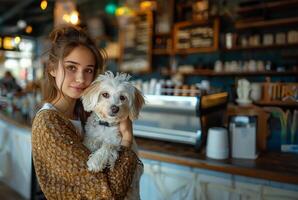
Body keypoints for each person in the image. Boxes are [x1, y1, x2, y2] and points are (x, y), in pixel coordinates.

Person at [31, 25, 139, 200]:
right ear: (52, 68)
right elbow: (108, 193)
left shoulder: (88, 114)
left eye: (88, 70)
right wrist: (127, 137)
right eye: (71, 68)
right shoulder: (48, 123)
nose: (81, 79)